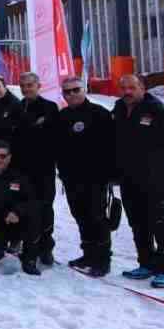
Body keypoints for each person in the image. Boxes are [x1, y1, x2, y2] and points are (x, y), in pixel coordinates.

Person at [112, 74, 164, 288]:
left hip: (155, 180)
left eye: (132, 87)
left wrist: (156, 163)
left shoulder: (161, 113)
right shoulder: (118, 111)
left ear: (143, 89)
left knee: (160, 223)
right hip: (128, 179)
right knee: (138, 223)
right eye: (123, 88)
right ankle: (147, 263)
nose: (127, 92)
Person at [56, 77, 115, 277]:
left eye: (75, 90)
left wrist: (108, 175)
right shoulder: (62, 116)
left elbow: (112, 147)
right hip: (71, 179)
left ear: (84, 89)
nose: (71, 94)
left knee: (97, 218)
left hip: (95, 179)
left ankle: (103, 260)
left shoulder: (100, 114)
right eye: (67, 92)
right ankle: (88, 254)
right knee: (81, 217)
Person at [0, 140, 41, 276]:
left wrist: (17, 211)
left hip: (12, 221)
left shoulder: (19, 176)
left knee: (36, 213)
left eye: (3, 156)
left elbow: (31, 200)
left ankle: (29, 258)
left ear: (9, 158)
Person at [13, 72, 60, 264]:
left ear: (38, 86)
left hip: (44, 169)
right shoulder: (17, 108)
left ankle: (46, 248)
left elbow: (55, 138)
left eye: (30, 85)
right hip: (22, 169)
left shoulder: (50, 108)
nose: (26, 89)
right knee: (25, 207)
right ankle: (28, 245)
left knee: (45, 208)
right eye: (23, 86)